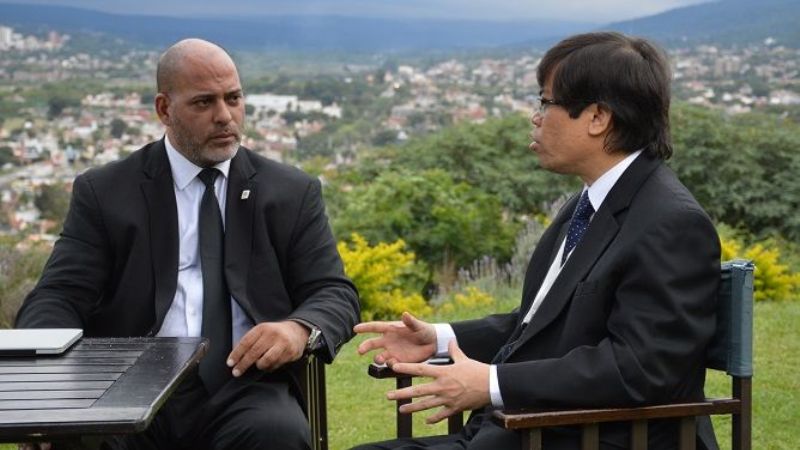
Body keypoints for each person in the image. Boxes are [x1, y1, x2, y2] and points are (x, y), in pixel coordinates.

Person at [353, 32, 720, 450]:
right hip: (522, 432)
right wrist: (438, 338)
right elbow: (538, 326)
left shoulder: (670, 222)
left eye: (547, 102)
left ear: (598, 118)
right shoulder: (589, 202)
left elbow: (641, 369)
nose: (536, 117)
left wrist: (490, 382)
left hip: (596, 438)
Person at [15, 38, 360, 450]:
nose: (224, 116)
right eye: (203, 103)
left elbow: (334, 292)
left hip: (244, 385)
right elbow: (57, 297)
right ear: (165, 109)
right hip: (128, 386)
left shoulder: (289, 192)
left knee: (278, 434)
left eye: (233, 99)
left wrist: (297, 328)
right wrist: (52, 386)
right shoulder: (106, 192)